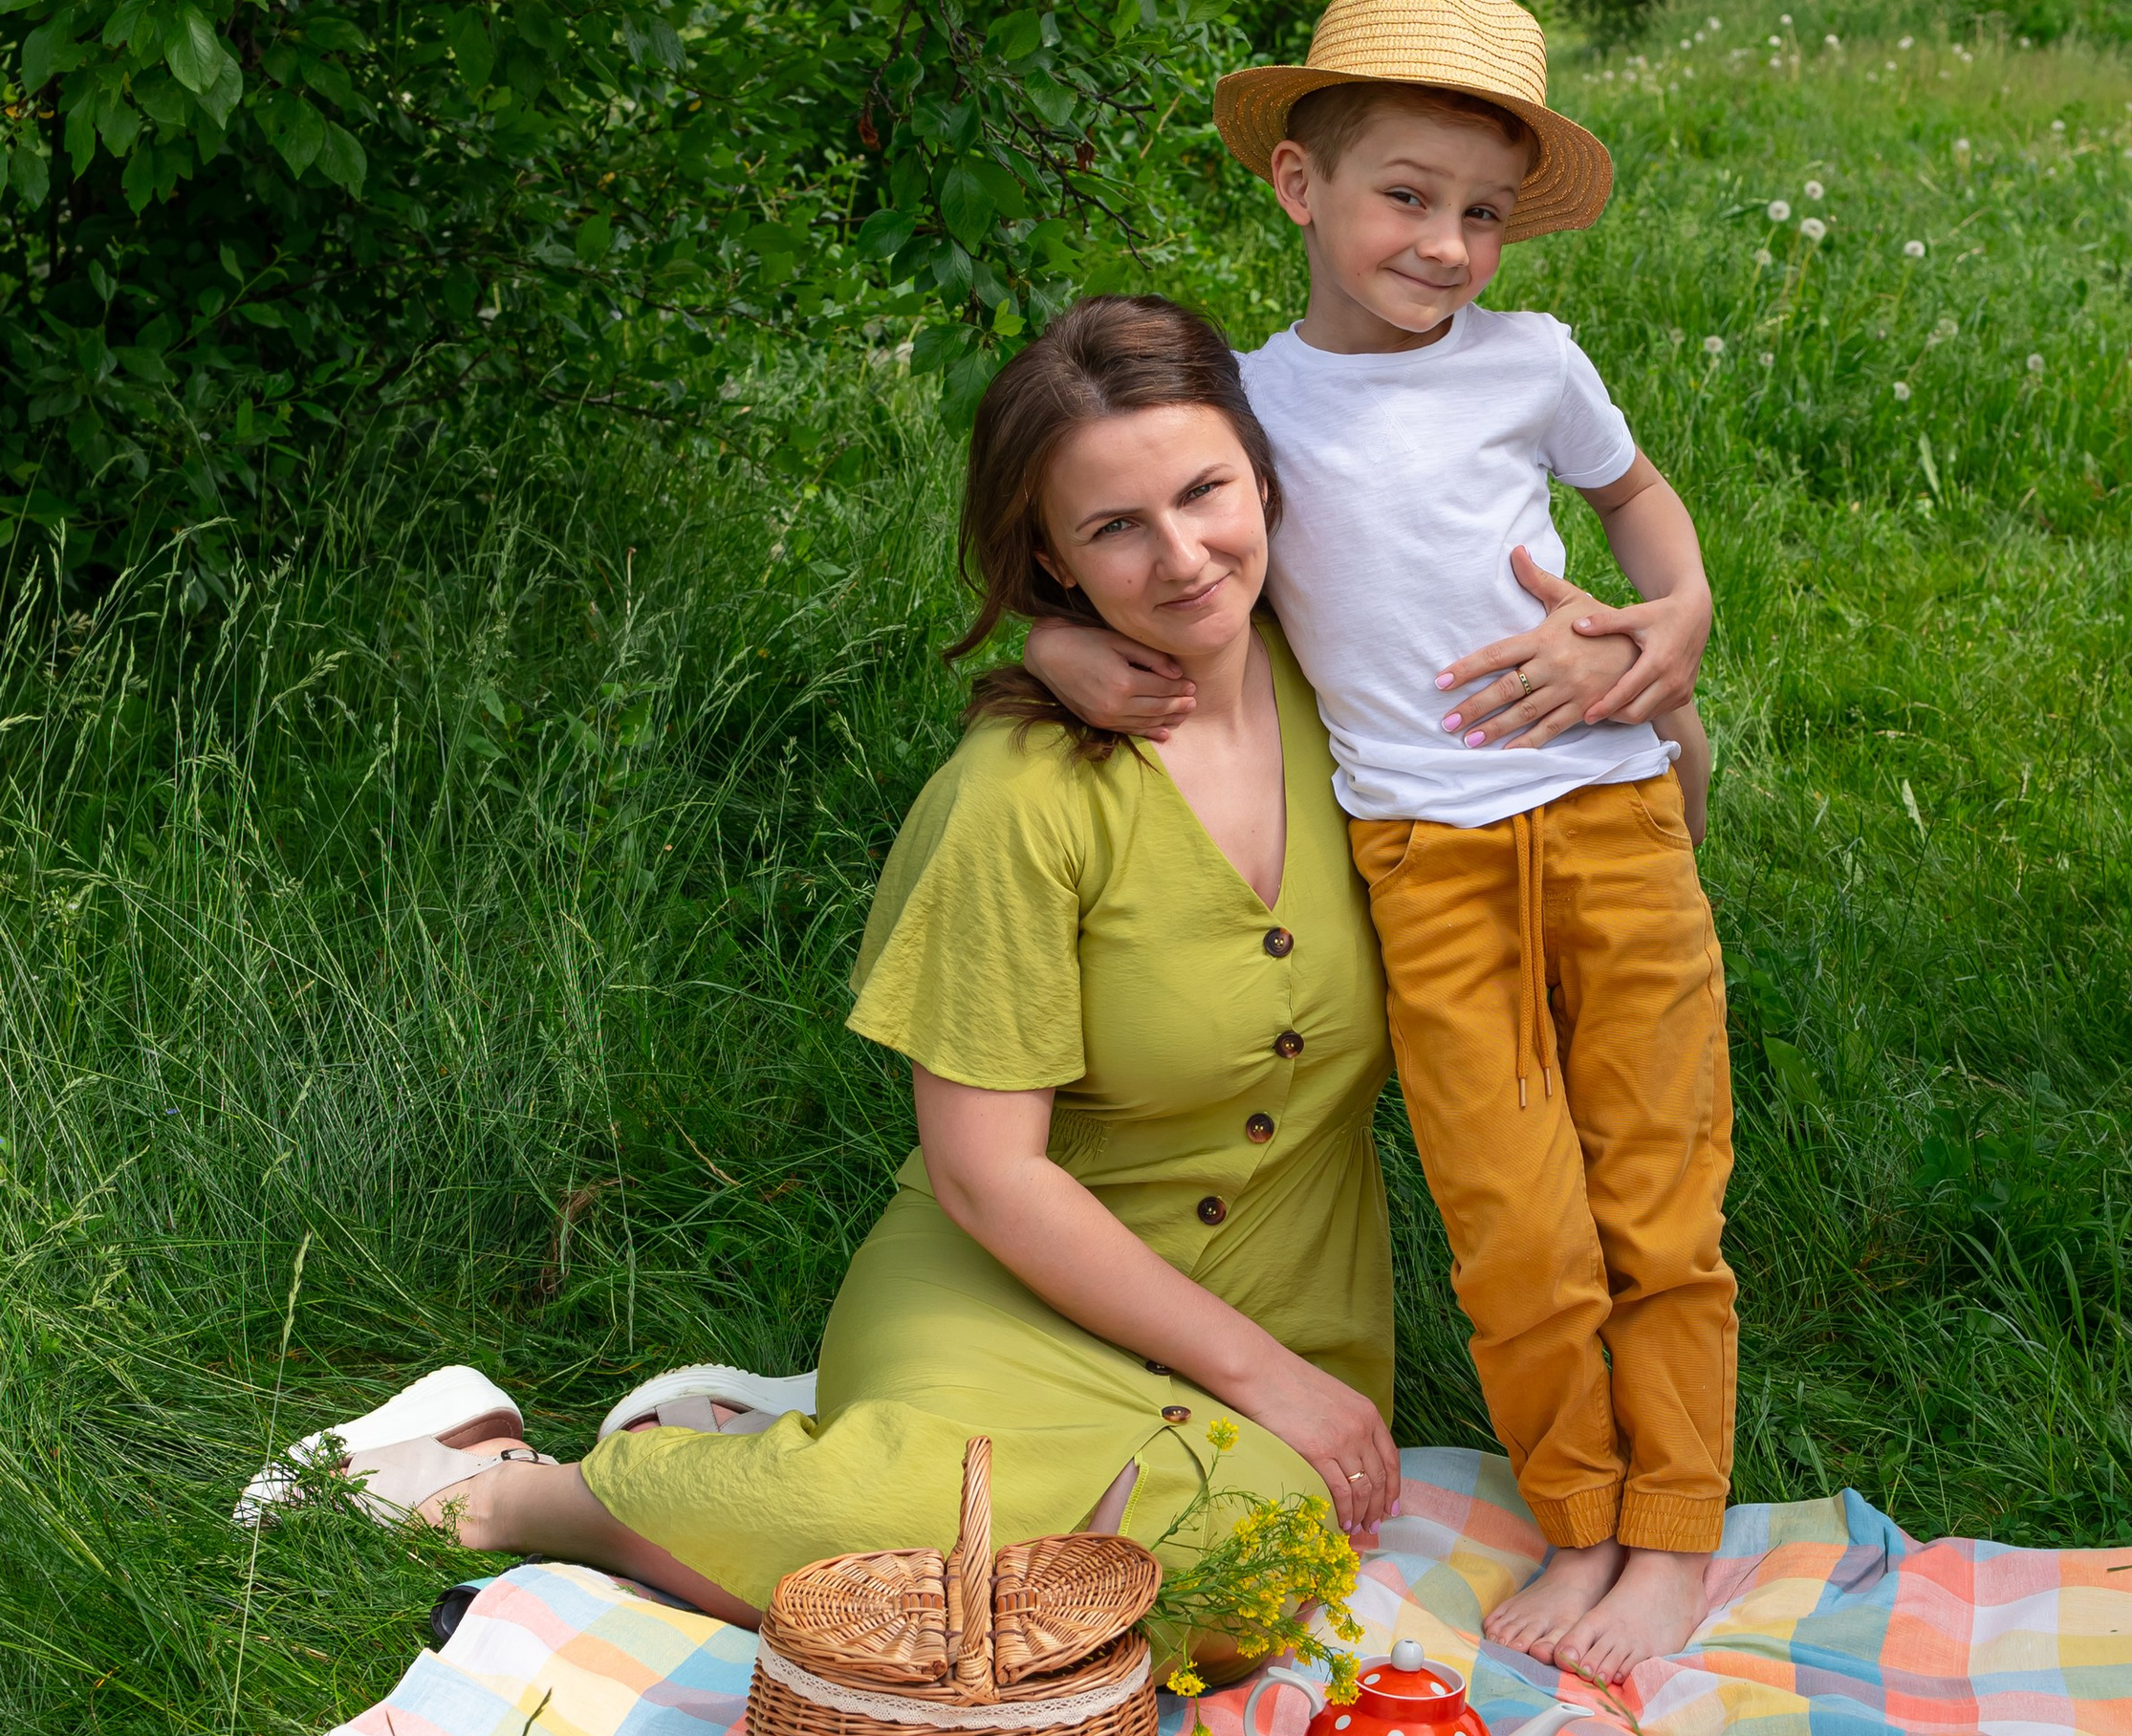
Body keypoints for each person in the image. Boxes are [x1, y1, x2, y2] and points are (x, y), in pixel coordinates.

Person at [235, 298, 1401, 1628]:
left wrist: (1651, 675)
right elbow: (986, 1175)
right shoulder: (1017, 799)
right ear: (1051, 560)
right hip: (1013, 1290)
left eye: (1204, 492)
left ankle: (782, 1434)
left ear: (1263, 471)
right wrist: (1266, 1382)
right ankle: (517, 1488)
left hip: (1274, 1304)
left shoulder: (1365, 696)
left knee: (1242, 1580)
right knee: (954, 1571)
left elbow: (1605, 795)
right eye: (1115, 527)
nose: (1185, 557)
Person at [1029, 0, 1734, 1687]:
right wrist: (1059, 635)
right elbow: (1144, 526)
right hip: (1423, 858)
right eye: (1407, 198)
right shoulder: (1255, 409)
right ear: (1303, 189)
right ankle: (1581, 1511)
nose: (1447, 245)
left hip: (1609, 812)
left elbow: (1634, 502)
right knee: (1513, 1208)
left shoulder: (1532, 363)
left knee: (1658, 1177)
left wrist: (1673, 622)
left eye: (1485, 214)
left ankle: (1675, 1536)